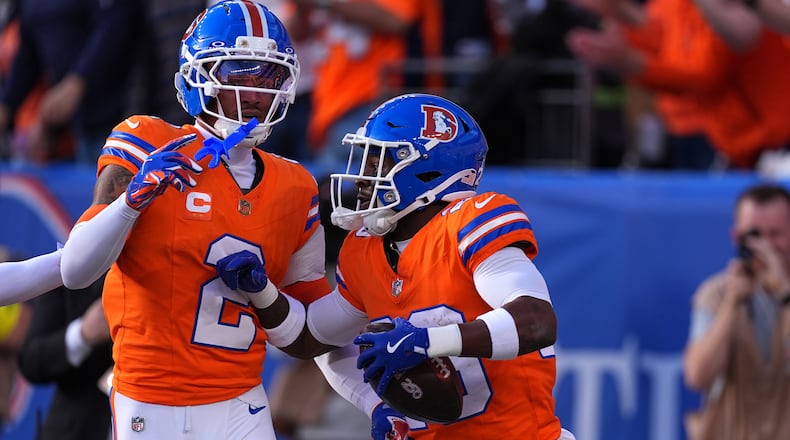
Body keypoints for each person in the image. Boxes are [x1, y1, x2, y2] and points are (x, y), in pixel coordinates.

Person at [213, 93, 575, 439]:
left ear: (427, 171)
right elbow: (312, 339)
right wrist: (261, 291)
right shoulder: (363, 249)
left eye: (377, 161)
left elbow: (535, 321)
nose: (361, 177)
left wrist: (429, 341)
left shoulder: (469, 222)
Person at [58, 2, 334, 439]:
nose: (255, 94)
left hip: (241, 400)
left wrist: (274, 295)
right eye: (239, 75)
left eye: (269, 78)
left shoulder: (295, 185)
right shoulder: (146, 141)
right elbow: (75, 271)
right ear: (198, 79)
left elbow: (309, 333)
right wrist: (131, 201)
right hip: (148, 398)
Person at [683, 183, 790, 440]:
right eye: (754, 235)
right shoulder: (716, 294)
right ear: (736, 236)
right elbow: (697, 374)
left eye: (775, 234)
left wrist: (784, 293)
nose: (764, 246)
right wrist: (732, 304)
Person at [0, 0, 140, 164]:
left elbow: (114, 26)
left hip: (124, 116)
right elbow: (27, 57)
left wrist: (78, 80)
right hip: (79, 126)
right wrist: (6, 106)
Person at [16, 276, 112, 440]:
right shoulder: (73, 268)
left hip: (157, 415)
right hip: (77, 428)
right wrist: (82, 335)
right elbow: (31, 360)